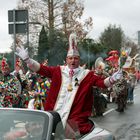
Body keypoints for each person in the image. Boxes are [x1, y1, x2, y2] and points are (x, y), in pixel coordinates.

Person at [15, 33, 122, 138]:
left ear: (79, 60)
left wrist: (112, 79)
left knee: (73, 138)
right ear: (67, 60)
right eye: (70, 58)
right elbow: (40, 69)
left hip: (74, 121)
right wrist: (28, 60)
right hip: (54, 118)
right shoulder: (58, 71)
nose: (73, 61)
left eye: (75, 58)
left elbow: (102, 83)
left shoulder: (86, 74)